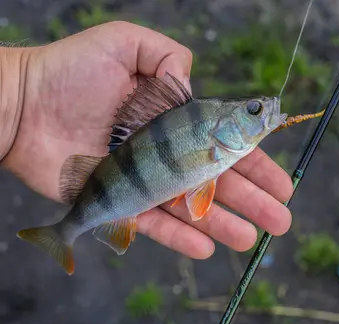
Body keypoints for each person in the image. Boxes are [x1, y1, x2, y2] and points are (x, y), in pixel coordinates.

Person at [0, 21, 293, 260]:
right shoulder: (206, 132)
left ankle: (63, 233)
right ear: (223, 124)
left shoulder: (213, 138)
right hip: (112, 180)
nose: (263, 110)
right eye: (254, 109)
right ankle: (62, 233)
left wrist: (20, 94)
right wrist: (21, 92)